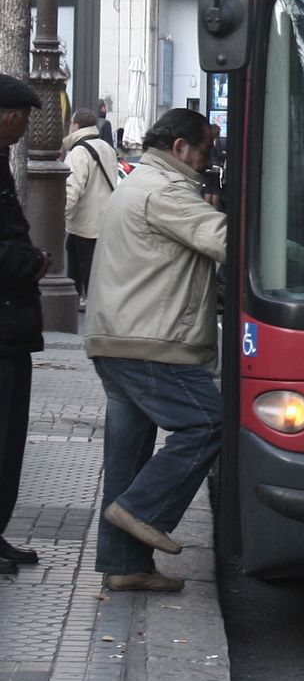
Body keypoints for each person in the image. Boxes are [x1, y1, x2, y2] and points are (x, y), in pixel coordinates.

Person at [85, 108, 226, 593]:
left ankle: (125, 566)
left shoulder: (141, 182)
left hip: (117, 336)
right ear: (180, 148)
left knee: (127, 455)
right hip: (150, 340)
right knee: (208, 420)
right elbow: (228, 241)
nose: (209, 161)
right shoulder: (166, 191)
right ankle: (143, 510)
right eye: (206, 150)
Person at [0, 75, 46, 577]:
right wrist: (29, 260)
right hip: (3, 320)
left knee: (10, 436)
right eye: (23, 116)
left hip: (10, 324)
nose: (25, 126)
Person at [63, 107, 119, 312]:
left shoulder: (78, 151)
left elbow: (73, 187)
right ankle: (88, 298)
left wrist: (63, 213)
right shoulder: (106, 147)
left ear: (76, 125)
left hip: (84, 220)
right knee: (93, 263)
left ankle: (83, 300)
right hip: (104, 217)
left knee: (81, 262)